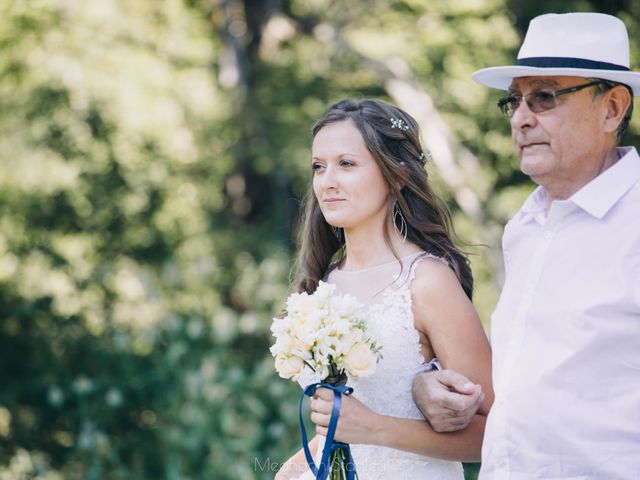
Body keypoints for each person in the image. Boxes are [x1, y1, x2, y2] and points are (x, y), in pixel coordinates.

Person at [412, 12, 640, 479]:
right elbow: (518, 381)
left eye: (545, 98)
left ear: (612, 109)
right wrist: (428, 385)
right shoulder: (525, 227)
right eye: (514, 101)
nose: (520, 118)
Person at [275, 99, 493, 479]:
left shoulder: (427, 281)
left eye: (346, 164)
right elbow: (346, 424)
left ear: (396, 176)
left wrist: (376, 428)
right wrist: (293, 468)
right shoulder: (325, 283)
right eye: (318, 167)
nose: (327, 181)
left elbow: (498, 431)